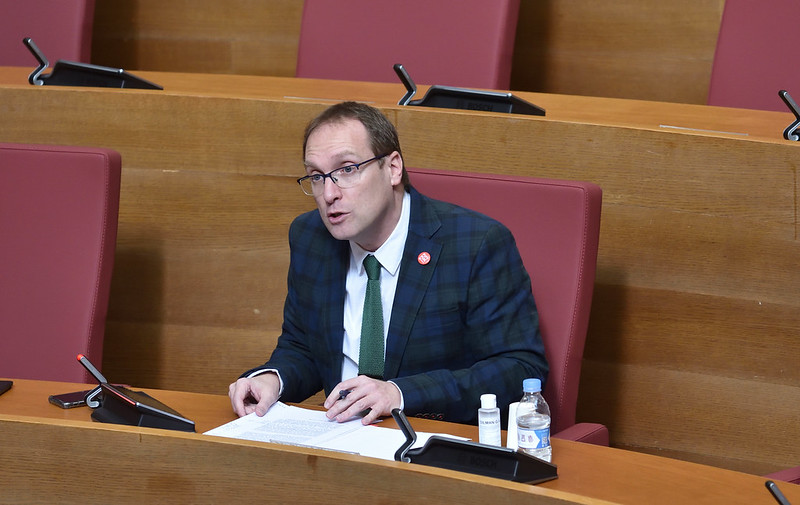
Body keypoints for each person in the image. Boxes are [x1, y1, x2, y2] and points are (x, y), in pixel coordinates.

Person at [229, 101, 547, 425]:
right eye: (316, 176)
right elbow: (305, 349)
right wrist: (273, 379)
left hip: (430, 442)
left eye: (347, 169)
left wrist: (399, 394)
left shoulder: (476, 244)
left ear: (393, 168)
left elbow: (519, 369)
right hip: (341, 437)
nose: (328, 194)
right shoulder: (311, 237)